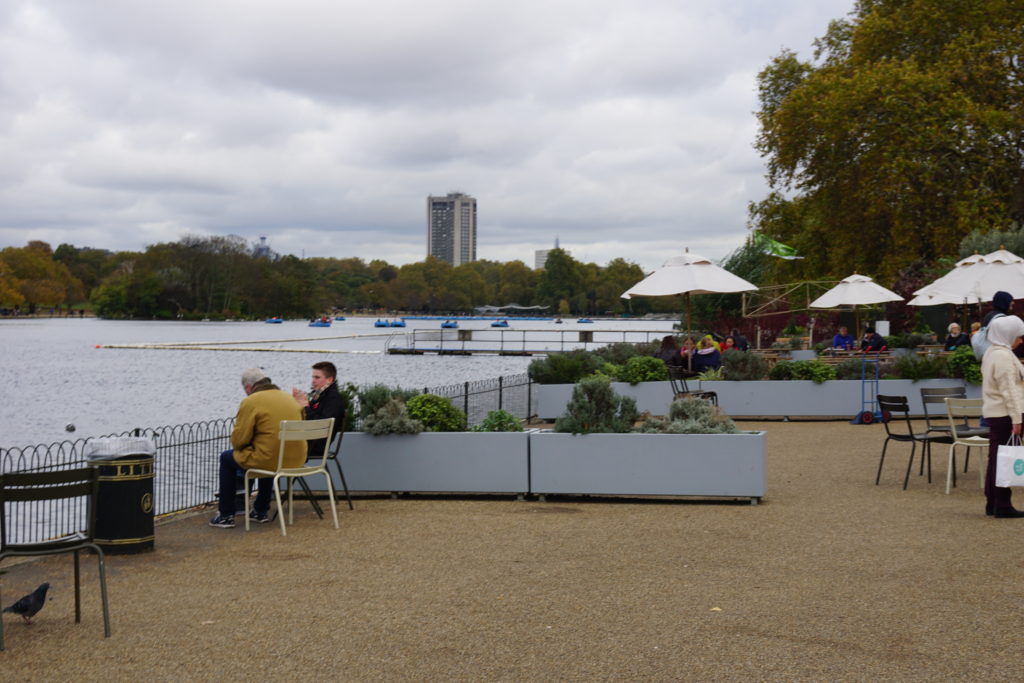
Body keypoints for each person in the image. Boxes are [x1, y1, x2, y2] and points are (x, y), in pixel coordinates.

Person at [210, 368, 305, 528]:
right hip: (295, 460)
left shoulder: (251, 401)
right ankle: (260, 511)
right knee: (268, 451)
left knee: (227, 458)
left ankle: (226, 515)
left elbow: (239, 441)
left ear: (248, 388)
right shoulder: (289, 398)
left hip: (270, 460)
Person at [980, 315, 1024, 518]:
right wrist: (1017, 419)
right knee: (1005, 460)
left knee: (996, 458)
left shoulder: (991, 352)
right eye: (1018, 335)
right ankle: (1003, 504)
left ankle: (993, 501)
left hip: (995, 413)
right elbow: (1010, 390)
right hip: (1005, 414)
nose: (1020, 340)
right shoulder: (1004, 356)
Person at [292, 360, 347, 457]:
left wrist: (305, 406)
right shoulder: (320, 396)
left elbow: (320, 425)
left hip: (315, 446)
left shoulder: (333, 399)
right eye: (313, 377)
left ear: (329, 380)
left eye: (317, 377)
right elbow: (313, 416)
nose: (313, 380)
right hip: (309, 442)